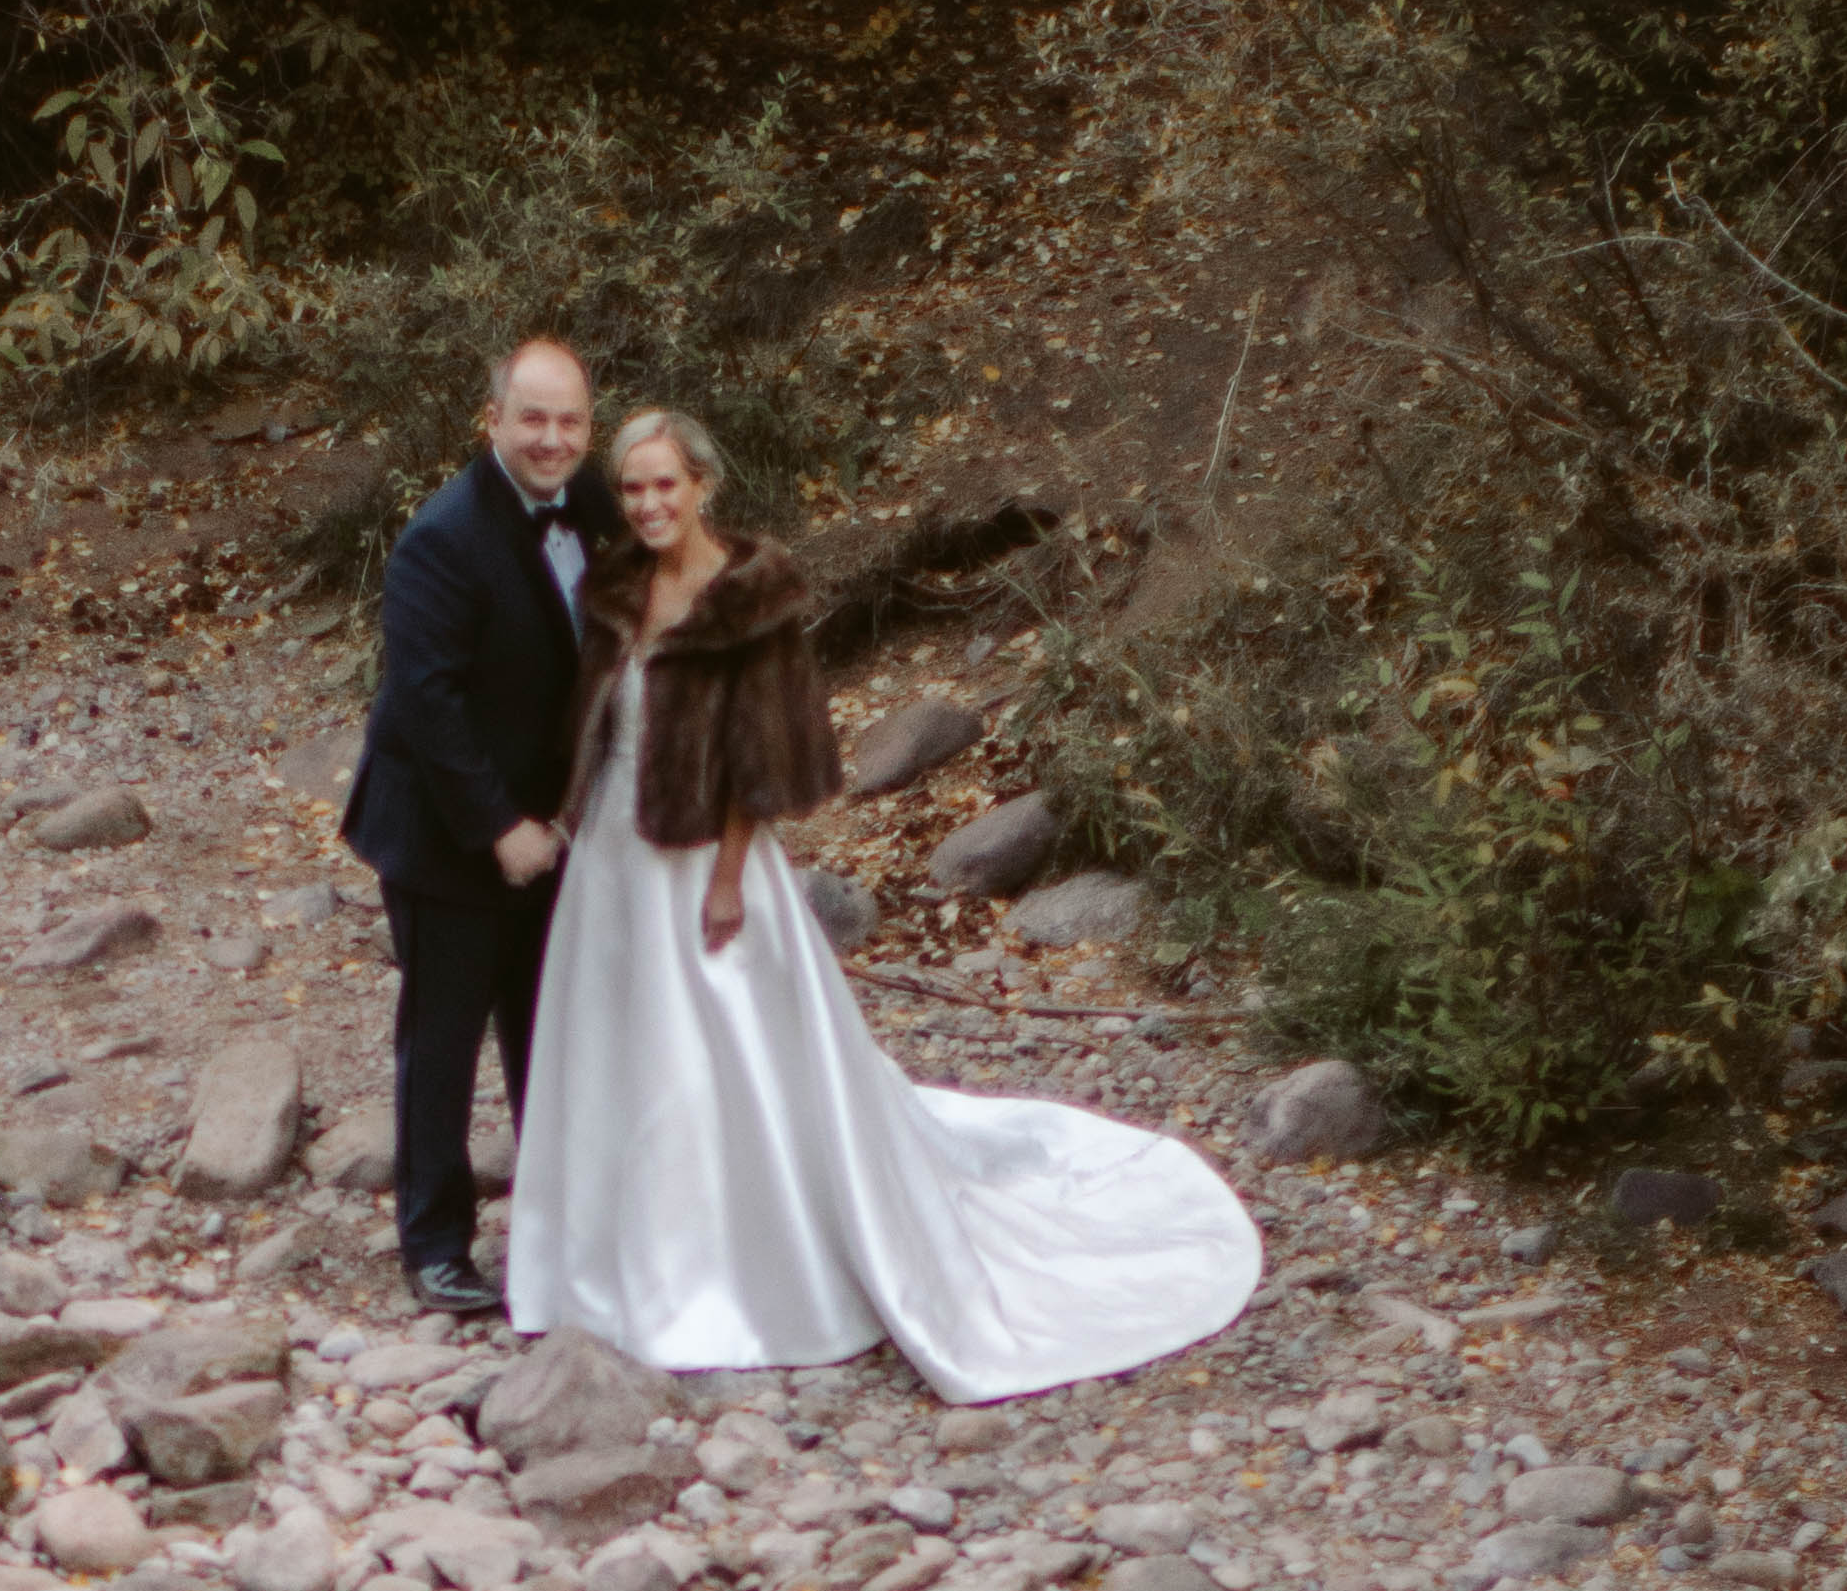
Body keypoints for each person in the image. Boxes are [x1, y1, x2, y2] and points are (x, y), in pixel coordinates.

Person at [508, 402, 1264, 1399]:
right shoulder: (615, 585)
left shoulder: (750, 595)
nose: (649, 502)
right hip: (611, 856)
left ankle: (734, 1273)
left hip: (705, 857)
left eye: (665, 484)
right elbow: (596, 724)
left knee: (718, 1055)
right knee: (617, 1047)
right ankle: (610, 1267)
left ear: (702, 486)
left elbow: (763, 756)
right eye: (634, 487)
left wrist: (731, 877)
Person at [340, 331, 596, 1317]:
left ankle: (556, 1227)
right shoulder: (441, 537)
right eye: (531, 417)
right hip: (446, 835)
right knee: (440, 1044)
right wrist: (499, 826)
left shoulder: (595, 508)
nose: (550, 438)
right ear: (492, 421)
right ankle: (436, 1245)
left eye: (568, 420)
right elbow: (424, 703)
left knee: (545, 1033)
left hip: (550, 829)